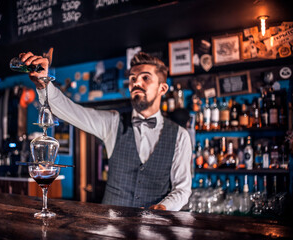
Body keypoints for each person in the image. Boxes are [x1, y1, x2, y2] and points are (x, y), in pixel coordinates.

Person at [20, 51, 192, 211]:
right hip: (110, 227)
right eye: (132, 78)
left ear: (162, 88)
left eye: (145, 78)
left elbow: (182, 189)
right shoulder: (113, 122)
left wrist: (162, 208)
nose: (136, 83)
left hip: (154, 231)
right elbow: (69, 110)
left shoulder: (180, 136)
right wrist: (43, 83)